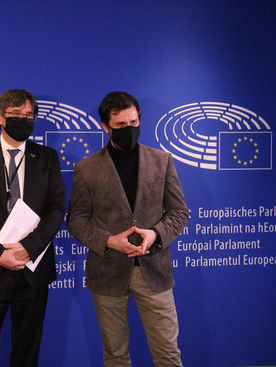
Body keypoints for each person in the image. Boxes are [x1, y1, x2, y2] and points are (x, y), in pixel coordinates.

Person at [67, 91, 189, 367]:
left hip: (154, 271)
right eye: (121, 125)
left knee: (168, 355)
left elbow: (180, 212)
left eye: (134, 123)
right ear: (105, 126)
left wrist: (155, 234)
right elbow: (75, 220)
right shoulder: (86, 169)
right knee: (115, 357)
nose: (129, 129)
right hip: (108, 273)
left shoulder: (162, 160)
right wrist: (110, 241)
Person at [0, 89, 66, 367]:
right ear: (0, 118)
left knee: (27, 352)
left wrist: (29, 248)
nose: (25, 120)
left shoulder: (47, 158)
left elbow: (56, 208)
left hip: (32, 269)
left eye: (29, 115)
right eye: (17, 114)